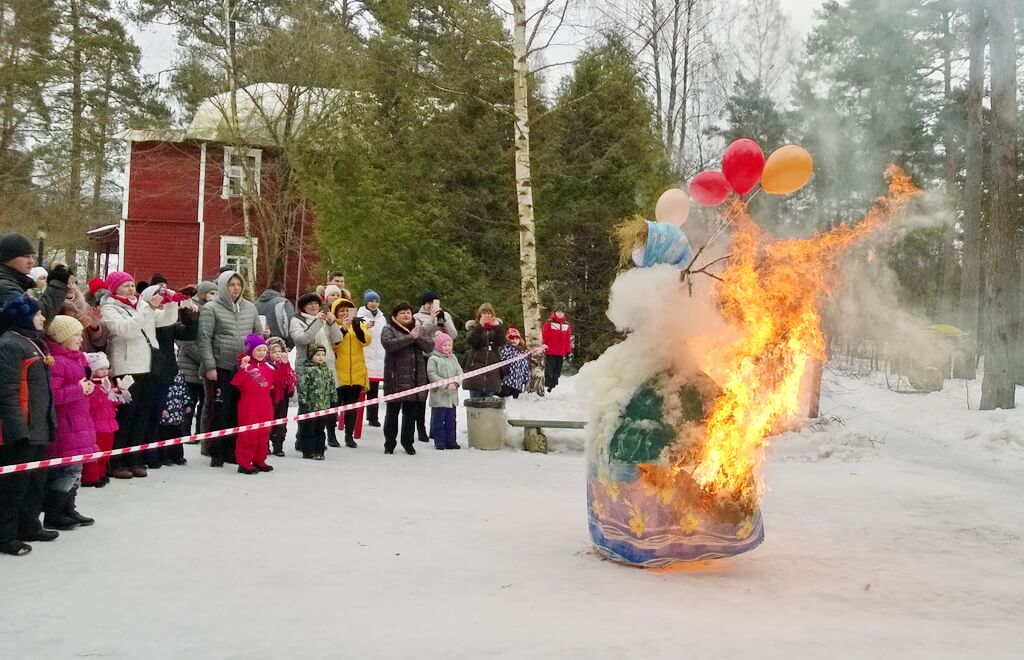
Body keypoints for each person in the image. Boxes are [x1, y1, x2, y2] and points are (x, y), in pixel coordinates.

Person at [0, 295, 58, 556]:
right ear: (23, 316)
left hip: (39, 425)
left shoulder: (34, 343)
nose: (42, 318)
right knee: (14, 485)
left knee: (35, 481)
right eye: (37, 314)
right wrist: (17, 429)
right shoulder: (10, 344)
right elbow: (7, 391)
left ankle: (30, 525)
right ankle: (5, 536)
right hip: (22, 428)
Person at [196, 269, 266, 468]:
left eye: (238, 285)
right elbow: (204, 338)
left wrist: (256, 359)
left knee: (239, 410)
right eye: (231, 285)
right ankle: (215, 451)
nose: (235, 288)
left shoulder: (250, 308)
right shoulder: (211, 308)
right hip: (221, 366)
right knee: (220, 410)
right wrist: (210, 366)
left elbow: (257, 334)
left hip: (244, 369)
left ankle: (231, 450)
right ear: (223, 287)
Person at [101, 271, 161, 479]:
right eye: (125, 285)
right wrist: (146, 310)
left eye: (131, 284)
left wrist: (171, 304)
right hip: (125, 367)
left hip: (146, 365)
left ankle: (135, 458)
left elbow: (159, 322)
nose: (130, 288)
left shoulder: (141, 304)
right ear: (114, 288)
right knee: (126, 415)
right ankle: (117, 461)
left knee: (141, 415)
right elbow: (127, 330)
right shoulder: (109, 308)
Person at [42, 315, 97, 530]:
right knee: (67, 470)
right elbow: (53, 395)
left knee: (76, 469)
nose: (80, 338)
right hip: (67, 425)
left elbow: (79, 388)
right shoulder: (57, 363)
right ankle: (54, 512)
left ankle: (69, 507)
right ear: (61, 337)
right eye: (75, 334)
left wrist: (88, 390)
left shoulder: (78, 359)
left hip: (80, 421)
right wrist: (79, 390)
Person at [142, 284, 194, 469]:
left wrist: (184, 310)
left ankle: (169, 453)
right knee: (151, 415)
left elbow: (186, 331)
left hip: (166, 370)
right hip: (147, 370)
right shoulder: (146, 317)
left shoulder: (165, 319)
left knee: (167, 415)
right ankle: (150, 454)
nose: (161, 302)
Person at [290, 292, 342, 448]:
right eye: (310, 304)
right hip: (307, 368)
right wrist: (317, 322)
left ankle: (319, 439)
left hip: (326, 367)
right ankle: (304, 439)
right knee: (307, 405)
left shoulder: (324, 320)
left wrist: (332, 324)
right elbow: (302, 339)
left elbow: (338, 339)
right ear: (303, 307)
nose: (313, 306)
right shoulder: (296, 320)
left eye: (316, 303)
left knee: (323, 404)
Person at [381, 302, 433, 455]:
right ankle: (389, 443)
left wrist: (417, 337)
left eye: (408, 312)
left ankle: (408, 442)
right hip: (395, 377)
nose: (406, 315)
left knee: (410, 414)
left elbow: (429, 347)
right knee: (392, 413)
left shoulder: (418, 328)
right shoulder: (388, 328)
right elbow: (389, 344)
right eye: (402, 312)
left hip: (415, 378)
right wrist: (410, 338)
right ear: (395, 315)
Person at [231, 334, 279, 474]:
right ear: (250, 350)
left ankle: (260, 460)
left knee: (264, 433)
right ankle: (244, 462)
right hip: (248, 404)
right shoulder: (245, 366)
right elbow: (235, 383)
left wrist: (285, 364)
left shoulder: (269, 366)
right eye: (258, 350)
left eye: (264, 350)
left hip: (265, 404)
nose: (261, 353)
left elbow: (279, 380)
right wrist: (242, 367)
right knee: (248, 434)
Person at [0, 233, 69, 326]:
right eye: (26, 256)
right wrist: (58, 284)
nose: (31, 261)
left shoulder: (15, 283)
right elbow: (37, 319)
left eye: (33, 256)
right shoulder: (5, 286)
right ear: (7, 257)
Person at [176, 280, 216, 439]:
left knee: (205, 401)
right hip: (190, 366)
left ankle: (201, 432)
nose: (214, 296)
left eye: (216, 293)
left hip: (205, 367)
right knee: (188, 401)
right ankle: (184, 432)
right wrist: (205, 358)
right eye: (211, 293)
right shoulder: (190, 309)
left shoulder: (213, 311)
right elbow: (186, 342)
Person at [331, 297, 371, 448]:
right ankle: (331, 435)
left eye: (348, 310)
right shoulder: (332, 325)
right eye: (342, 311)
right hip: (338, 373)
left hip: (355, 373)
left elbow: (366, 341)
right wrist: (343, 329)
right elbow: (333, 344)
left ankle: (349, 435)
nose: (345, 313)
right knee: (334, 407)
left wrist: (358, 327)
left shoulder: (358, 324)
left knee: (352, 407)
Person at [81, 352, 123, 488]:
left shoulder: (108, 383)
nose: (104, 371)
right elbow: (91, 405)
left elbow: (114, 403)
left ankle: (101, 473)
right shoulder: (90, 385)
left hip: (110, 424)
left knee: (106, 452)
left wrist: (119, 392)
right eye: (101, 369)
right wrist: (101, 392)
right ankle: (90, 477)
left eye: (106, 368)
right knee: (94, 453)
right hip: (96, 425)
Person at [297, 345, 335, 460]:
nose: (321, 357)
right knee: (309, 429)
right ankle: (308, 451)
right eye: (318, 355)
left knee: (320, 429)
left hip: (323, 406)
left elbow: (332, 386)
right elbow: (302, 387)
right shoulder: (307, 370)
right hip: (310, 407)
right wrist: (303, 402)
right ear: (311, 355)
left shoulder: (327, 370)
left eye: (323, 355)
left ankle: (320, 450)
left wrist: (333, 400)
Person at [426, 332, 463, 450]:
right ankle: (440, 441)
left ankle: (451, 441)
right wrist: (446, 384)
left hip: (452, 396)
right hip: (439, 396)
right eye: (444, 345)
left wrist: (457, 383)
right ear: (438, 346)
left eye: (449, 345)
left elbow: (459, 372)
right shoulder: (433, 359)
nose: (447, 348)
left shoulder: (453, 358)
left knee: (451, 420)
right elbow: (432, 375)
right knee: (439, 420)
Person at [464, 303, 506, 398]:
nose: (487, 315)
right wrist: (480, 326)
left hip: (492, 373)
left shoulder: (496, 328)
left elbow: (502, 343)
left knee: (488, 407)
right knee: (475, 404)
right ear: (479, 315)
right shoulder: (473, 327)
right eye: (484, 313)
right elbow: (471, 341)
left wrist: (498, 328)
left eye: (489, 313)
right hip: (476, 370)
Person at [357, 290, 385, 427]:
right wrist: (364, 328)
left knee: (374, 389)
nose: (374, 304)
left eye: (376, 301)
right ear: (366, 302)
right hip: (364, 356)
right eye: (371, 301)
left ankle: (373, 416)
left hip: (378, 357)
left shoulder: (382, 318)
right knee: (359, 389)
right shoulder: (359, 316)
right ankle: (356, 416)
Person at [60, 274, 107, 352]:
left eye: (73, 283)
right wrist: (77, 326)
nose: (71, 287)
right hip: (65, 355)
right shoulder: (54, 306)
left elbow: (95, 339)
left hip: (85, 355)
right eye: (66, 283)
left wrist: (94, 327)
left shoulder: (85, 306)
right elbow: (54, 335)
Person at [266, 337, 295, 457]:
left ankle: (278, 445)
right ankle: (265, 445)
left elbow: (291, 377)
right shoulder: (267, 365)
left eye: (279, 351)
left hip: (282, 397)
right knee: (268, 421)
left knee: (281, 421)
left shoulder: (286, 364)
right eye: (273, 352)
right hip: (269, 397)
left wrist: (290, 387)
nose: (277, 354)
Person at [255, 280, 295, 350]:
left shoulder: (255, 303)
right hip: (280, 345)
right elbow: (288, 324)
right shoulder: (284, 302)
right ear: (282, 290)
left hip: (260, 345)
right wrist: (290, 344)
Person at [542, 303, 573, 392]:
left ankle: (553, 383)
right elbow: (545, 335)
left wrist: (568, 350)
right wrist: (544, 345)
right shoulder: (549, 323)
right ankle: (548, 384)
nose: (560, 314)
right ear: (555, 312)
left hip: (560, 352)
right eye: (558, 311)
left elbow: (568, 339)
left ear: (564, 313)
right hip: (550, 351)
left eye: (562, 312)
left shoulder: (566, 325)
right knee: (549, 369)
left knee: (557, 370)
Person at [499, 326, 531, 399]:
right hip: (507, 382)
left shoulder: (523, 352)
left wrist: (527, 377)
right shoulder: (506, 349)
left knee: (515, 401)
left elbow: (526, 366)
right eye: (512, 338)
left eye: (516, 338)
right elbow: (501, 359)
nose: (514, 340)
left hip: (518, 383)